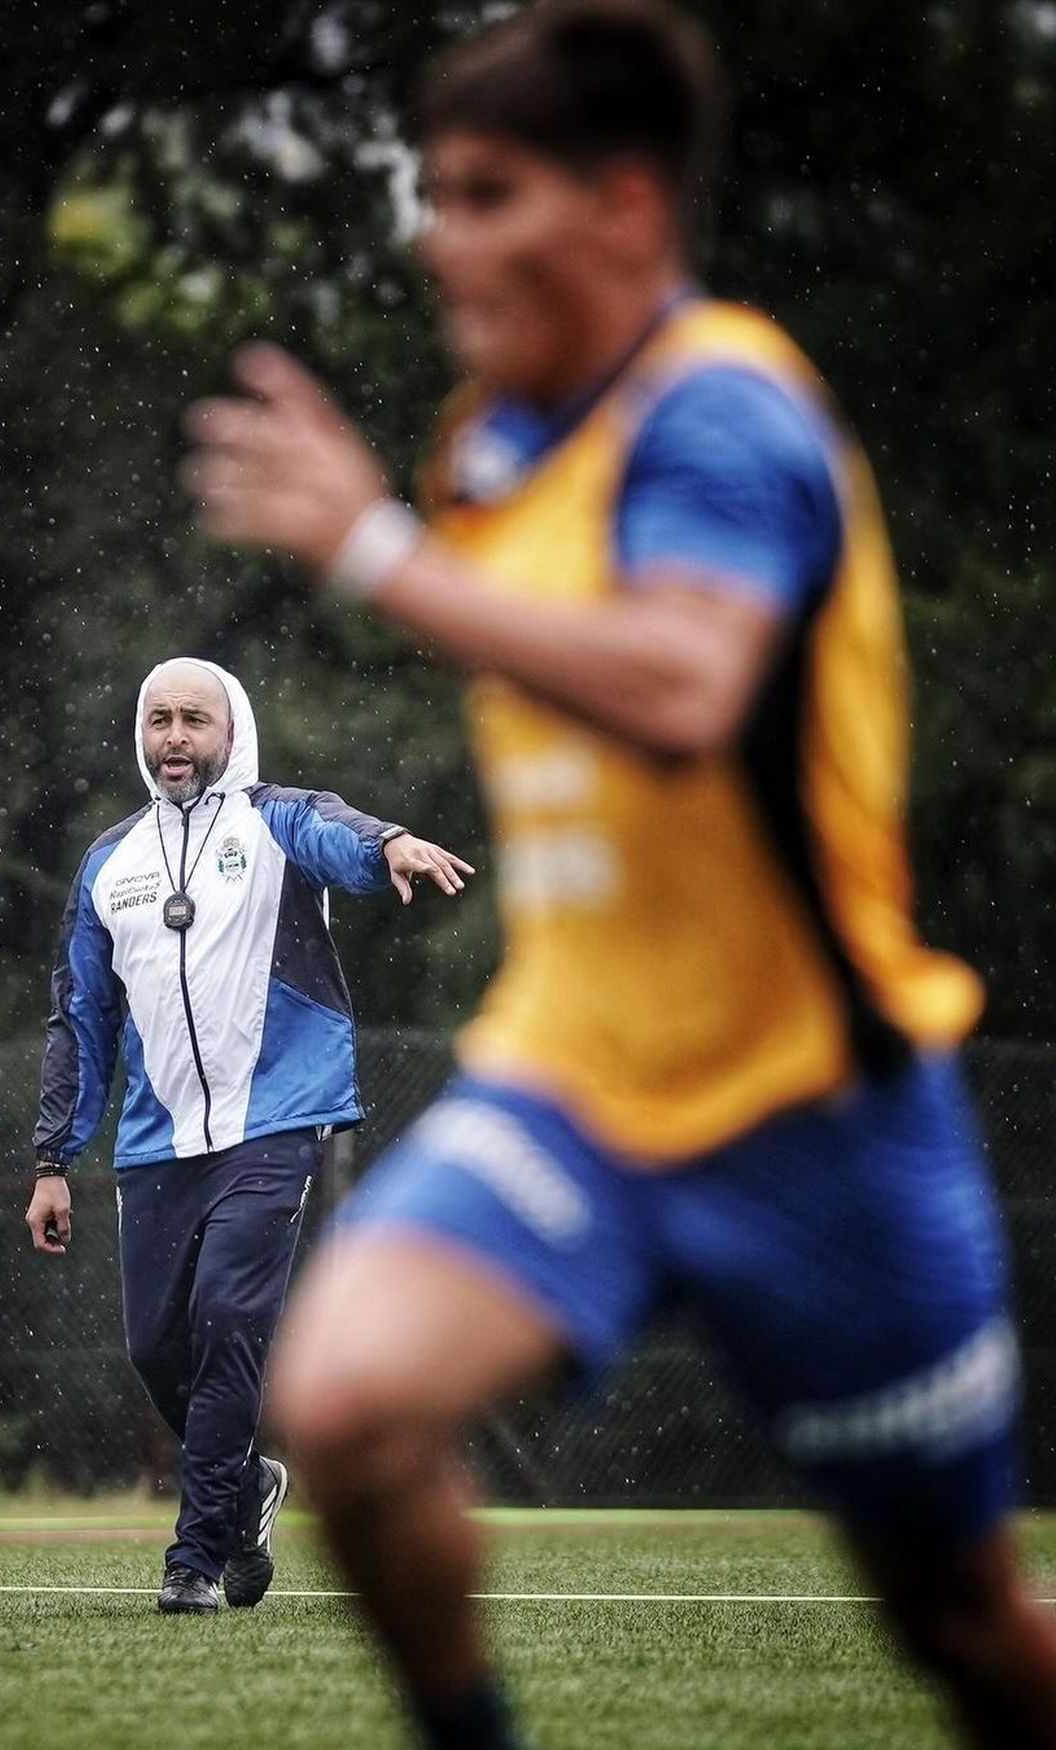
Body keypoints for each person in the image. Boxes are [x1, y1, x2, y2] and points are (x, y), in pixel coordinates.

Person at [182, 0, 1056, 1742]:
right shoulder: (496, 440)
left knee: (961, 1628)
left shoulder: (725, 413)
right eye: (433, 194)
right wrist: (405, 549)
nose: (439, 238)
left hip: (816, 1114)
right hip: (577, 1084)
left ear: (629, 207)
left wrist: (375, 551)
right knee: (346, 1409)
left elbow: (685, 686)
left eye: (487, 194)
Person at [26, 656, 472, 1615]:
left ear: (232, 733)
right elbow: (80, 1018)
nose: (175, 737)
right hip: (155, 1143)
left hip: (275, 1120)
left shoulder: (275, 820)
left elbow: (338, 832)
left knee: (228, 1320)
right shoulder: (110, 862)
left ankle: (194, 1559)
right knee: (156, 1348)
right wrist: (52, 1159)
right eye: (159, 719)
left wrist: (389, 844)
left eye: (195, 719)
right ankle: (247, 1487)